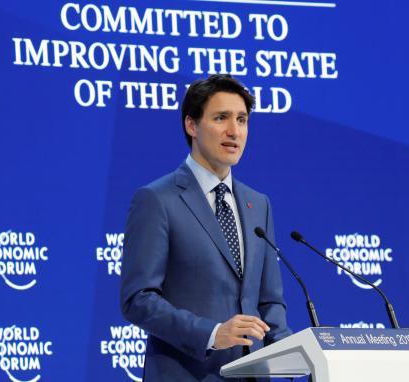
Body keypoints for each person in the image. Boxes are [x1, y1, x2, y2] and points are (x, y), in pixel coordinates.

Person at [120, 74, 291, 381]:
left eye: (242, 119)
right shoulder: (157, 199)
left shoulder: (258, 203)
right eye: (221, 118)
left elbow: (269, 300)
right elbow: (138, 299)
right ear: (192, 125)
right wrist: (212, 333)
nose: (234, 131)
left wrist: (291, 353)